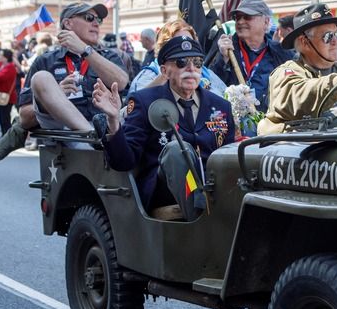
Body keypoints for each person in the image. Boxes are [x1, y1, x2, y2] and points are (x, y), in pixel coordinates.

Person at [93, 35, 235, 213]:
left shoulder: (221, 106)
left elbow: (229, 158)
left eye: (198, 62)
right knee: (176, 150)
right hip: (166, 191)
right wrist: (113, 120)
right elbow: (125, 161)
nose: (191, 69)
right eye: (182, 62)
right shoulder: (145, 102)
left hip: (215, 189)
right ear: (165, 71)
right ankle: (200, 216)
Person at [259, 3, 337, 134]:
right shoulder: (286, 72)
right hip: (313, 151)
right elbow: (298, 97)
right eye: (328, 36)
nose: (336, 41)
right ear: (304, 42)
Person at [18, 2, 128, 133]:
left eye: (98, 20)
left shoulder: (109, 56)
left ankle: (92, 136)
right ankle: (89, 134)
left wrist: (85, 50)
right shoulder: (45, 60)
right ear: (68, 23)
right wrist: (53, 98)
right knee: (41, 78)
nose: (96, 24)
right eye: (89, 18)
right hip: (65, 134)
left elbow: (121, 83)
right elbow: (24, 118)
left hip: (107, 128)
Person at [211, 0, 290, 112]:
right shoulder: (225, 48)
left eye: (247, 17)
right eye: (237, 17)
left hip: (270, 125)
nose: (240, 21)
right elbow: (210, 86)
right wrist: (223, 59)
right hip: (233, 124)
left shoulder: (282, 53)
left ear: (266, 21)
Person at [128, 19, 227, 98]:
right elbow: (132, 109)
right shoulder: (149, 76)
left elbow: (226, 98)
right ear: (163, 48)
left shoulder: (205, 72)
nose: (186, 49)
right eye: (178, 45)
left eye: (190, 43)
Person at [0, 49, 19, 136]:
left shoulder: (10, 67)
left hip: (7, 96)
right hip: (1, 95)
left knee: (5, 118)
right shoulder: (1, 66)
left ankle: (7, 136)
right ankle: (4, 135)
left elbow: (0, 78)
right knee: (1, 117)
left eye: (1, 55)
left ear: (6, 57)